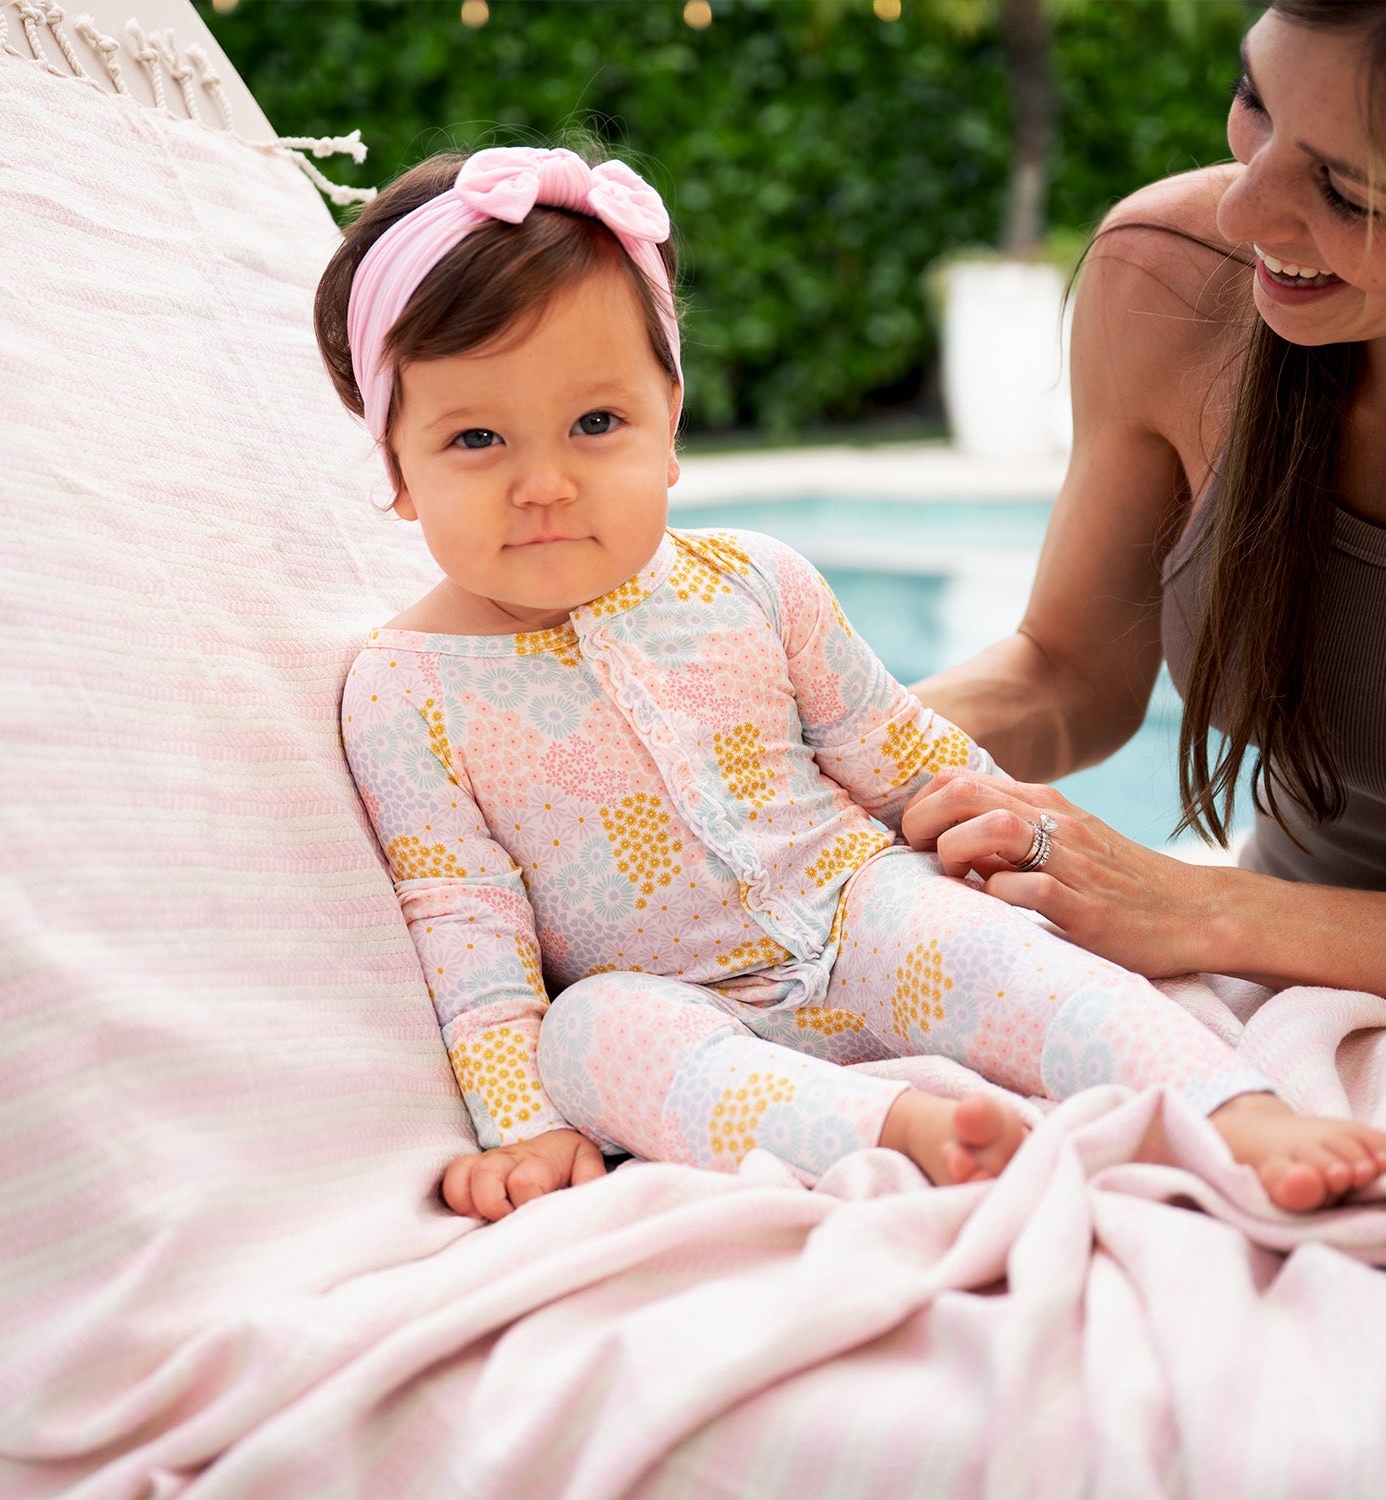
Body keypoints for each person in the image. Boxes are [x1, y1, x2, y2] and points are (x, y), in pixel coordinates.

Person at [318, 143, 1386, 1224]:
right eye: (475, 438)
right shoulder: (407, 692)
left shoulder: (756, 583)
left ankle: (1238, 1112)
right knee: (587, 1035)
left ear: (670, 421)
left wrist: (1013, 843)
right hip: (679, 1001)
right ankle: (891, 1134)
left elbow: (903, 751)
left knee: (996, 952)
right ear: (397, 468)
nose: (543, 484)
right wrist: (521, 1127)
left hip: (861, 913)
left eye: (598, 424)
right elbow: (464, 920)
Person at [907, 0, 1386, 1003]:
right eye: (1255, 99)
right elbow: (1071, 671)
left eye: (1345, 192)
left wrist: (1200, 908)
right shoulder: (1174, 278)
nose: (1241, 213)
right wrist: (827, 749)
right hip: (1276, 990)